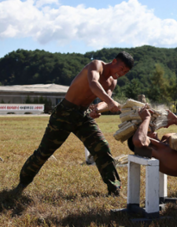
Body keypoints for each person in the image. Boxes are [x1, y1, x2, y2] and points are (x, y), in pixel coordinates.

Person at [14, 51, 135, 196]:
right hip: (64, 112)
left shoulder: (112, 82)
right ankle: (22, 183)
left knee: (101, 147)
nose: (121, 73)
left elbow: (104, 101)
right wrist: (110, 102)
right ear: (114, 61)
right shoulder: (96, 65)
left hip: (83, 115)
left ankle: (114, 189)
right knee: (44, 152)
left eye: (125, 72)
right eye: (121, 69)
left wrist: (98, 108)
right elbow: (93, 84)